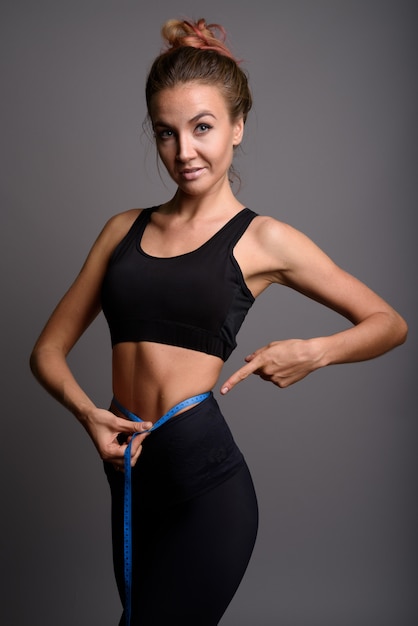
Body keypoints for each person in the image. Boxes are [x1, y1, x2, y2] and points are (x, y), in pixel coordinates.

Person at [30, 17, 407, 626]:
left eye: (202, 128)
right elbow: (46, 351)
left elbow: (389, 322)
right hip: (128, 477)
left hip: (208, 489)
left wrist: (313, 352)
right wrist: (86, 415)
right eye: (166, 133)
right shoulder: (122, 230)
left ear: (237, 127)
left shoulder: (264, 239)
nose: (184, 152)